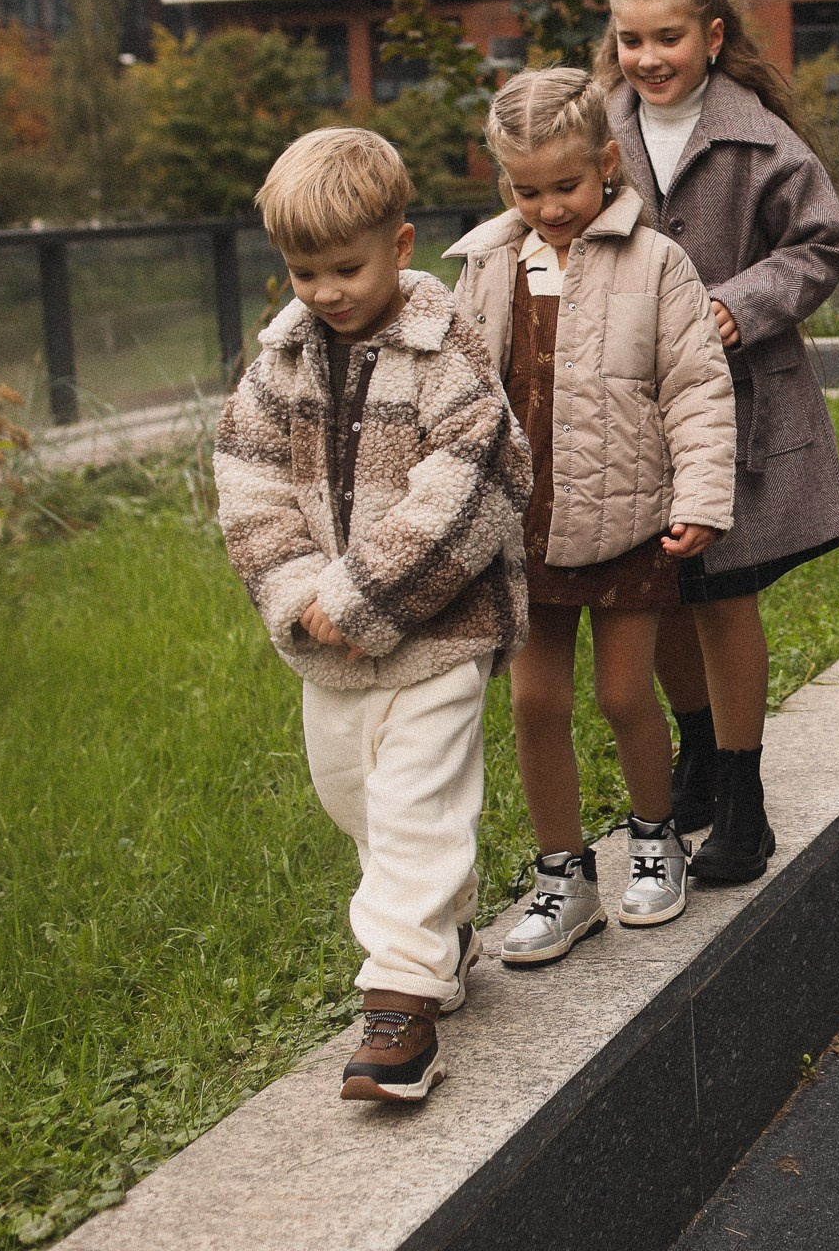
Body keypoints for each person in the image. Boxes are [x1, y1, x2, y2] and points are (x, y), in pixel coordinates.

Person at [214, 128, 531, 1102]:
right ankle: (443, 926)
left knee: (412, 805)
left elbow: (475, 476)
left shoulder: (446, 351)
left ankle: (399, 1009)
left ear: (399, 247)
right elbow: (248, 474)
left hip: (440, 634)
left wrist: (370, 594)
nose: (325, 290)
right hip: (328, 646)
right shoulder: (284, 364)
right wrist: (299, 591)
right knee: (354, 797)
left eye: (346, 266)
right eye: (303, 271)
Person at [447, 68, 737, 964]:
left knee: (622, 694)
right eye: (527, 190)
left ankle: (656, 841)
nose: (550, 206)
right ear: (505, 184)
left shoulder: (656, 265)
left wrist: (699, 500)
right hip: (523, 529)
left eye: (567, 186)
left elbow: (695, 388)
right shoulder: (489, 265)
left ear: (608, 165)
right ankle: (563, 876)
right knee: (536, 703)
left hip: (629, 519)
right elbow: (458, 392)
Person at [598, 0, 839, 885]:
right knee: (658, 586)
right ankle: (700, 750)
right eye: (630, 38)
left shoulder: (762, 142)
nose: (648, 56)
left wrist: (735, 306)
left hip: (738, 412)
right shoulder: (599, 134)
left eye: (668, 37)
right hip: (628, 409)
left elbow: (822, 245)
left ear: (711, 37)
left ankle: (744, 801)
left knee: (724, 592)